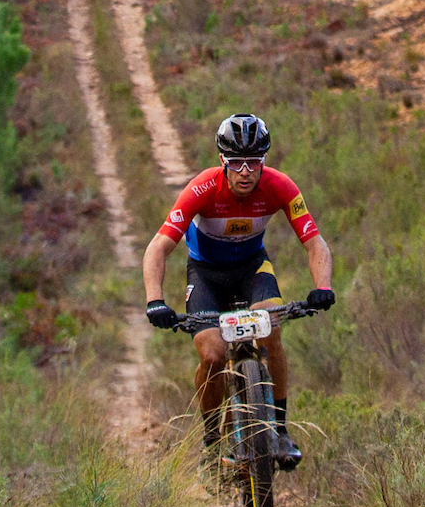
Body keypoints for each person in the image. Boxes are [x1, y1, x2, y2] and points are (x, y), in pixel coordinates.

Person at [142, 113, 335, 467]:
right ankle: (213, 441)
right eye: (236, 163)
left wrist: (322, 286)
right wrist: (156, 300)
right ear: (222, 161)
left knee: (271, 330)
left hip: (251, 268)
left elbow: (315, 242)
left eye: (254, 162)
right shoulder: (201, 189)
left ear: (264, 160)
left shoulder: (280, 187)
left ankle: (279, 429)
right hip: (206, 274)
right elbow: (158, 246)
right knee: (213, 355)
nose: (245, 171)